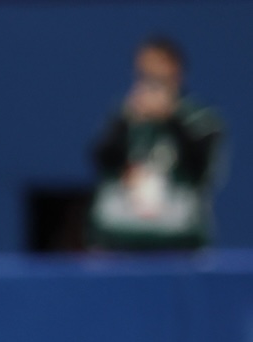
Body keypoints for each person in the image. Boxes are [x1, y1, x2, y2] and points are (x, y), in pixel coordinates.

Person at [88, 35, 226, 252]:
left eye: (157, 75)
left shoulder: (201, 119)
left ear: (176, 72)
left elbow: (201, 169)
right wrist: (125, 121)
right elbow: (102, 160)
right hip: (121, 240)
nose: (149, 82)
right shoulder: (124, 116)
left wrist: (171, 118)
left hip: (180, 241)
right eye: (143, 74)